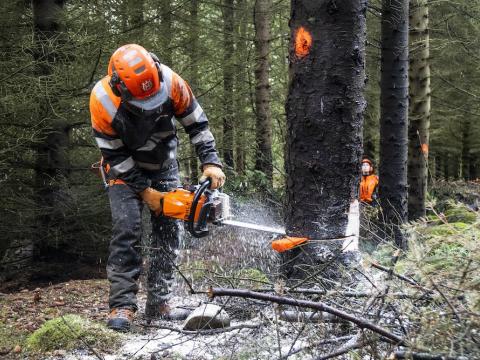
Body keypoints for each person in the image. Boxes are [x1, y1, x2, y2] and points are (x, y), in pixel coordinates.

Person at [89, 44, 225, 331]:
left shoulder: (171, 82)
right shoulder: (103, 100)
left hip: (164, 164)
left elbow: (197, 124)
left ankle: (159, 302)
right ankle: (122, 306)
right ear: (119, 87)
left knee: (170, 231)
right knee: (127, 230)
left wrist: (211, 162)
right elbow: (113, 154)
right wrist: (146, 192)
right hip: (124, 170)